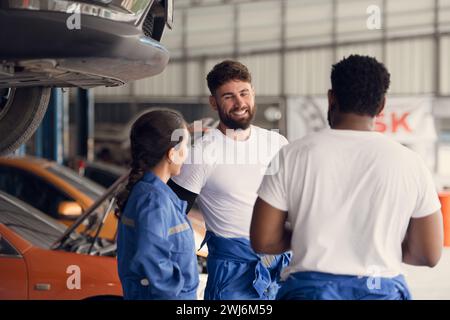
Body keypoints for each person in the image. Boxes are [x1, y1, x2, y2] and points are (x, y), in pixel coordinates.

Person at [250, 54, 444, 300]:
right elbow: (429, 253)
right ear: (382, 105)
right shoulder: (411, 162)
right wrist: (381, 243)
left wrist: (307, 234)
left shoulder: (289, 155)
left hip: (310, 292)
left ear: (331, 98)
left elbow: (263, 240)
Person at [168, 60, 291, 300]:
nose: (239, 103)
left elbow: (293, 202)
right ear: (214, 102)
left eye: (244, 93)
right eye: (228, 96)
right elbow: (170, 216)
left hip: (280, 270)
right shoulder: (202, 154)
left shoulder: (276, 143)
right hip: (233, 278)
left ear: (253, 93)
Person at [116, 109, 199, 300]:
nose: (187, 154)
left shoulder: (151, 193)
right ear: (172, 154)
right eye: (186, 146)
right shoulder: (153, 201)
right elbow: (150, 256)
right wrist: (175, 291)